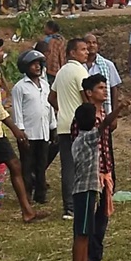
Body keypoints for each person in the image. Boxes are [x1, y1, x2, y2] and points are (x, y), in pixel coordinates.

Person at [0, 37, 45, 223]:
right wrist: (16, 130)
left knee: (15, 165)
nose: (3, 53)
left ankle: (27, 211)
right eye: (0, 50)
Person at [70, 97, 123, 261]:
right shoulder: (87, 138)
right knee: (82, 234)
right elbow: (106, 124)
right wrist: (119, 108)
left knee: (86, 231)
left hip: (88, 190)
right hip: (84, 191)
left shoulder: (80, 138)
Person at [51, 37, 90, 219]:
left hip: (63, 124)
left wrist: (62, 109)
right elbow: (86, 98)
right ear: (72, 52)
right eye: (83, 49)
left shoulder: (61, 72)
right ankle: (80, 203)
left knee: (67, 166)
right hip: (78, 125)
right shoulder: (80, 71)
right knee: (82, 164)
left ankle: (69, 208)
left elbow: (51, 98)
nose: (87, 52)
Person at [11, 50, 54, 205]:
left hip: (43, 131)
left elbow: (48, 106)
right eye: (33, 64)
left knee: (41, 164)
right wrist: (20, 130)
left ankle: (41, 194)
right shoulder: (20, 87)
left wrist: (52, 125)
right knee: (27, 165)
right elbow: (17, 110)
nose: (37, 67)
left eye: (39, 64)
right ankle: (27, 193)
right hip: (28, 132)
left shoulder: (44, 84)